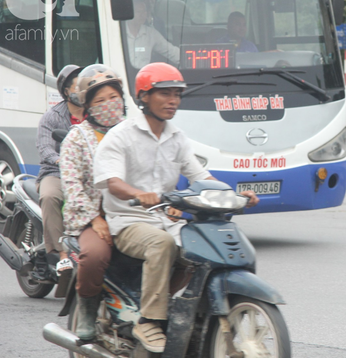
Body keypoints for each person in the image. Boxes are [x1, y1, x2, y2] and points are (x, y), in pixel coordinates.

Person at [93, 62, 258, 353]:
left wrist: (233, 195)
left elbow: (202, 177)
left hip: (166, 219)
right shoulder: (121, 135)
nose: (173, 101)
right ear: (143, 96)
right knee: (163, 244)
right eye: (165, 94)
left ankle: (183, 307)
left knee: (202, 247)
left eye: (177, 95)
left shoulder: (177, 137)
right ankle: (148, 319)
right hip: (128, 221)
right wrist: (140, 194)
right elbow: (112, 182)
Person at [59, 64, 126, 341]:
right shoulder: (77, 138)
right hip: (91, 217)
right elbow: (72, 186)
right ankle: (87, 308)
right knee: (95, 256)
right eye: (100, 100)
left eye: (114, 97)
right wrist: (94, 219)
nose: (109, 104)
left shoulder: (131, 132)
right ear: (88, 106)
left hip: (130, 212)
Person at [36, 64, 85, 280]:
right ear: (66, 91)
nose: (82, 90)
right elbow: (45, 148)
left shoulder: (96, 114)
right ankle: (60, 256)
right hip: (55, 173)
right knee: (50, 196)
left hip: (88, 176)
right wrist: (61, 160)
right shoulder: (52, 117)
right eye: (77, 86)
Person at [126, 0, 179, 68]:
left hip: (144, 76)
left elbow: (172, 52)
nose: (143, 15)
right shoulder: (117, 33)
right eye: (138, 12)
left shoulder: (151, 33)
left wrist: (192, 57)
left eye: (144, 11)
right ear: (129, 13)